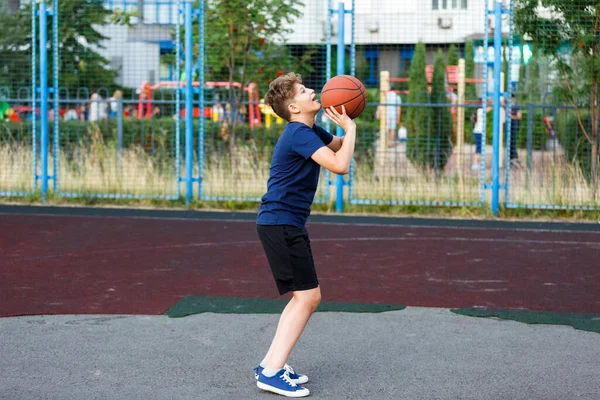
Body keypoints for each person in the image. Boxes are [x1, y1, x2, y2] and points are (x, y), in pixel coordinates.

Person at [254, 72, 356, 398]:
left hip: (282, 223)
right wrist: (352, 129)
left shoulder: (309, 130)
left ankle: (271, 363)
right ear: (294, 107)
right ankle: (270, 373)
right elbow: (340, 165)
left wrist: (347, 121)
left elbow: (338, 146)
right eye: (303, 90)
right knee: (309, 298)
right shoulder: (299, 133)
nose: (313, 90)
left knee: (303, 297)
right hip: (281, 223)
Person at [509, 94, 522, 168]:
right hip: (509, 126)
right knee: (509, 143)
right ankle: (511, 159)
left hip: (514, 126)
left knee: (512, 142)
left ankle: (514, 159)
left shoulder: (517, 106)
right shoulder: (507, 106)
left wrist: (511, 117)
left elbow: (519, 116)